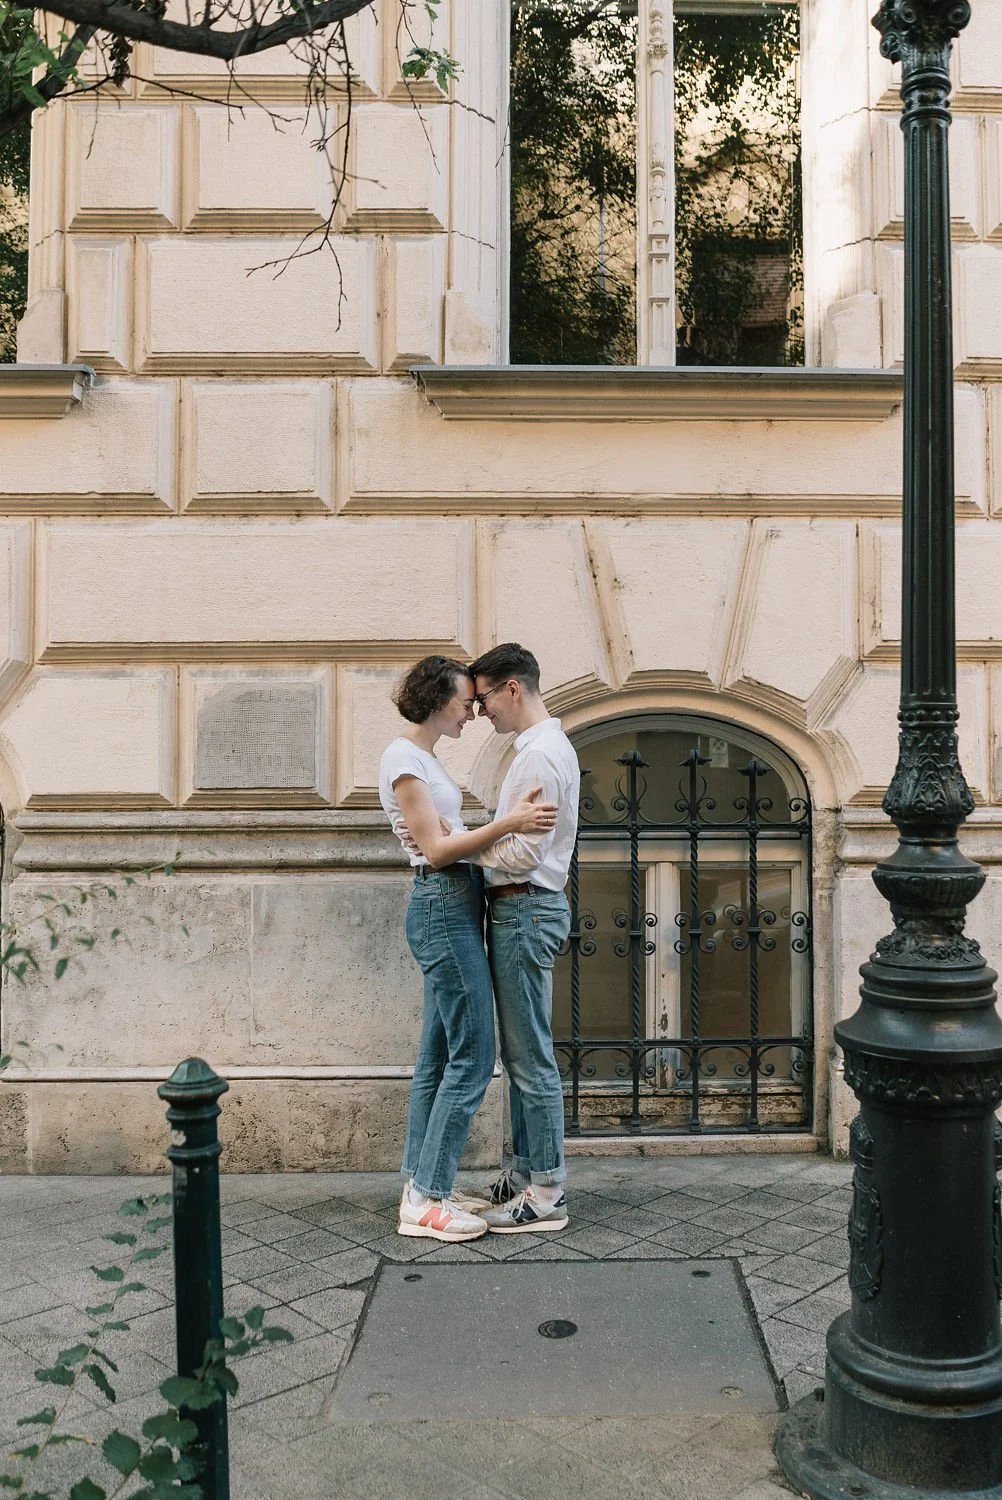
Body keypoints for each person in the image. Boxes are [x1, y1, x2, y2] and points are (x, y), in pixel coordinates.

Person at [378, 655, 559, 1244]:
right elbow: (434, 849)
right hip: (441, 907)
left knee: (438, 1056)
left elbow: (451, 838)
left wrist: (492, 829)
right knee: (475, 1056)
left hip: (454, 906)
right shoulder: (403, 760)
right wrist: (509, 822)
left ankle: (420, 1184)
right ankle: (426, 1201)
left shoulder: (423, 760)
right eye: (464, 702)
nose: (472, 711)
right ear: (438, 701)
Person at [468, 643, 581, 1233]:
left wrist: (468, 845)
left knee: (530, 1054)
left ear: (513, 689)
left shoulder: (539, 758)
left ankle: (546, 1193)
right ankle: (525, 1174)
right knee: (521, 1053)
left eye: (485, 697)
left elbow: (522, 851)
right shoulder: (539, 751)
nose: (482, 710)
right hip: (523, 910)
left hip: (524, 908)